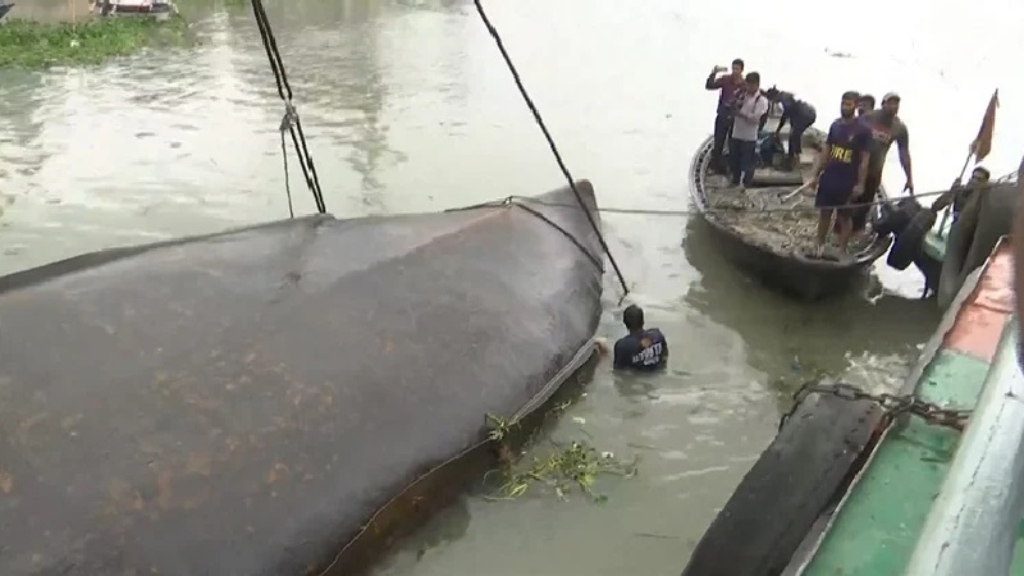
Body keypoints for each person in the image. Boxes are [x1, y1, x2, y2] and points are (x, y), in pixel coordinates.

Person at [808, 91, 871, 257]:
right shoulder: (835, 126)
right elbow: (826, 151)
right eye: (843, 103)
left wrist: (861, 184)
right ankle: (819, 244)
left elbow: (864, 160)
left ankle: (842, 249)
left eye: (849, 104)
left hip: (848, 180)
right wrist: (814, 174)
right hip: (830, 177)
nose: (844, 107)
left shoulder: (863, 130)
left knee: (844, 216)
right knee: (825, 213)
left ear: (856, 106)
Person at [854, 92, 913, 232]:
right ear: (883, 104)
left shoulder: (899, 127)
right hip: (857, 164)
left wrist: (909, 178)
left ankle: (856, 230)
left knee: (866, 202)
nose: (893, 106)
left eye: (896, 103)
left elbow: (904, 153)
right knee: (849, 197)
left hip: (876, 168)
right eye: (890, 103)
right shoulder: (869, 117)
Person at [729, 72, 770, 189]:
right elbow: (733, 105)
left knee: (748, 163)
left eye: (751, 85)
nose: (748, 87)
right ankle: (735, 182)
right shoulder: (742, 94)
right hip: (736, 133)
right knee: (734, 160)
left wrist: (740, 114)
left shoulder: (761, 100)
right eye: (747, 85)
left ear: (757, 85)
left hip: (749, 136)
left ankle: (747, 184)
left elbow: (755, 118)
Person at [705, 59, 746, 174]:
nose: (734, 71)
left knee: (734, 145)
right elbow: (709, 86)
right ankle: (714, 166)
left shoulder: (744, 85)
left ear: (741, 70)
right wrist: (714, 73)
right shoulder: (726, 79)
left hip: (735, 119)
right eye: (733, 68)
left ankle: (731, 168)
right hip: (722, 115)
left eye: (737, 69)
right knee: (719, 142)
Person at [765, 87, 817, 171]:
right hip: (807, 113)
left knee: (793, 137)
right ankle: (796, 158)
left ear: (774, 96)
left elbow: (785, 115)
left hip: (806, 115)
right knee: (795, 135)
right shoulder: (784, 95)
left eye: (772, 100)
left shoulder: (783, 99)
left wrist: (778, 130)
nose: (773, 102)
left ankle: (791, 163)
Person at [612, 305, 668, 371]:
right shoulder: (657, 335)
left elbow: (618, 372)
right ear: (643, 321)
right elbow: (665, 357)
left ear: (625, 323)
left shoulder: (622, 346)